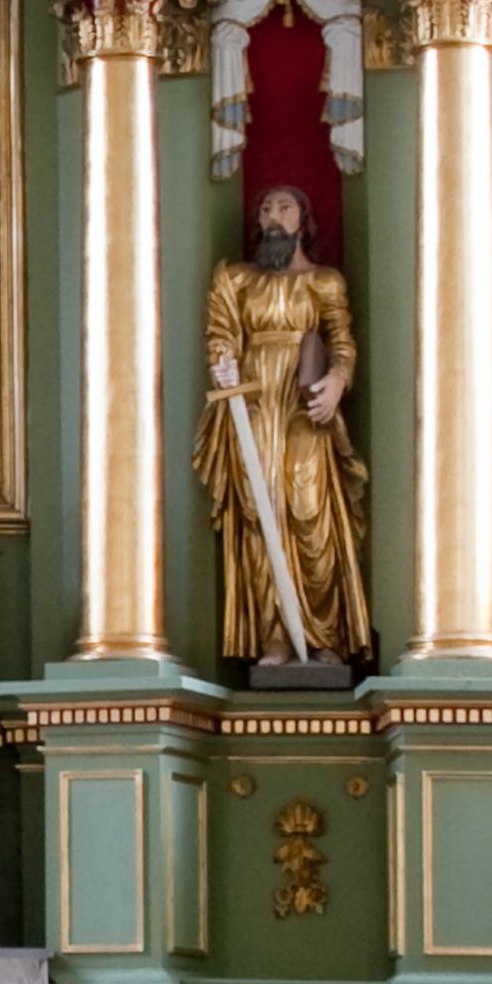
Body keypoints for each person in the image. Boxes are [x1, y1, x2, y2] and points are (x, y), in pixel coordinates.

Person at [191, 181, 372, 668]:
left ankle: (323, 637)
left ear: (302, 220)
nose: (274, 215)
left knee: (308, 508)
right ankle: (275, 637)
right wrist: (222, 363)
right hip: (252, 403)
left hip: (302, 403)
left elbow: (342, 342)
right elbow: (220, 335)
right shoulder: (235, 279)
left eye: (285, 207)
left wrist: (336, 383)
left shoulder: (324, 281)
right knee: (259, 510)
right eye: (267, 207)